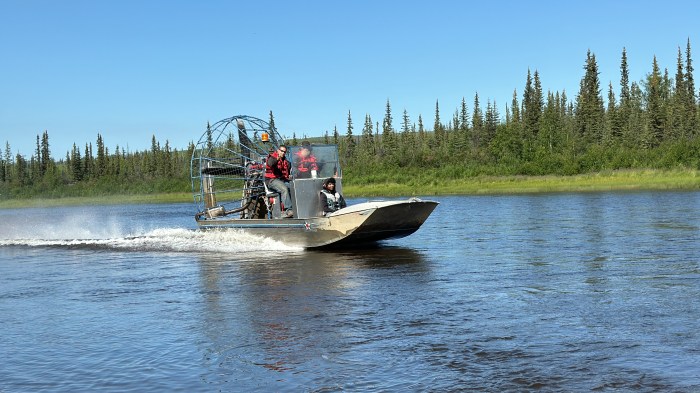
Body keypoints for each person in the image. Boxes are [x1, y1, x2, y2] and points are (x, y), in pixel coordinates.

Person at [265, 144, 294, 218]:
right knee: (284, 189)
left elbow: (287, 169)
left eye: (284, 152)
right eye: (282, 151)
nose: (283, 153)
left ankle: (297, 208)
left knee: (293, 187)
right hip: (271, 180)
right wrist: (277, 159)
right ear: (278, 150)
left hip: (281, 180)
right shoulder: (272, 157)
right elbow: (270, 163)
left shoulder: (285, 161)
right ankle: (288, 210)